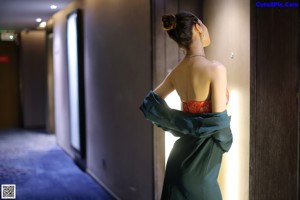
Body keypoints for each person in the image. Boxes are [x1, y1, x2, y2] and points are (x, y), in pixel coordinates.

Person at [140, 11, 232, 200]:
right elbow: (220, 125)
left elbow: (149, 104)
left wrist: (183, 124)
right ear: (198, 27)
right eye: (204, 25)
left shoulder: (177, 72)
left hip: (178, 160)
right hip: (201, 167)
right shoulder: (216, 69)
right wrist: (225, 143)